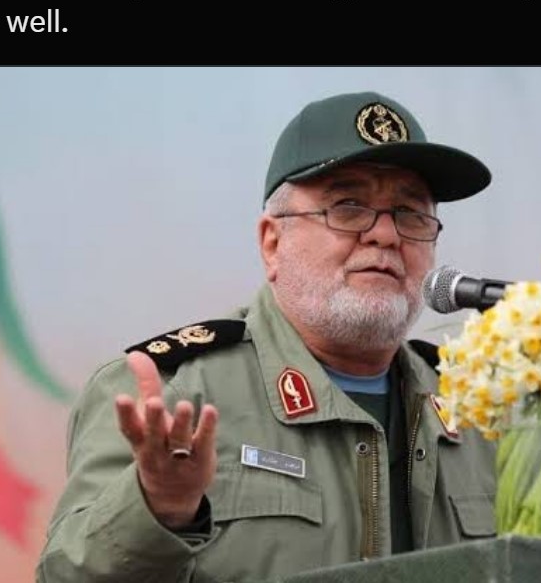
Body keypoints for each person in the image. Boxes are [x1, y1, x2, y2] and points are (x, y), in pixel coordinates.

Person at [36, 91, 498, 582]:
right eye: (347, 206)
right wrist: (157, 508)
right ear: (272, 243)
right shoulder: (168, 394)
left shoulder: (482, 410)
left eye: (410, 213)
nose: (385, 235)